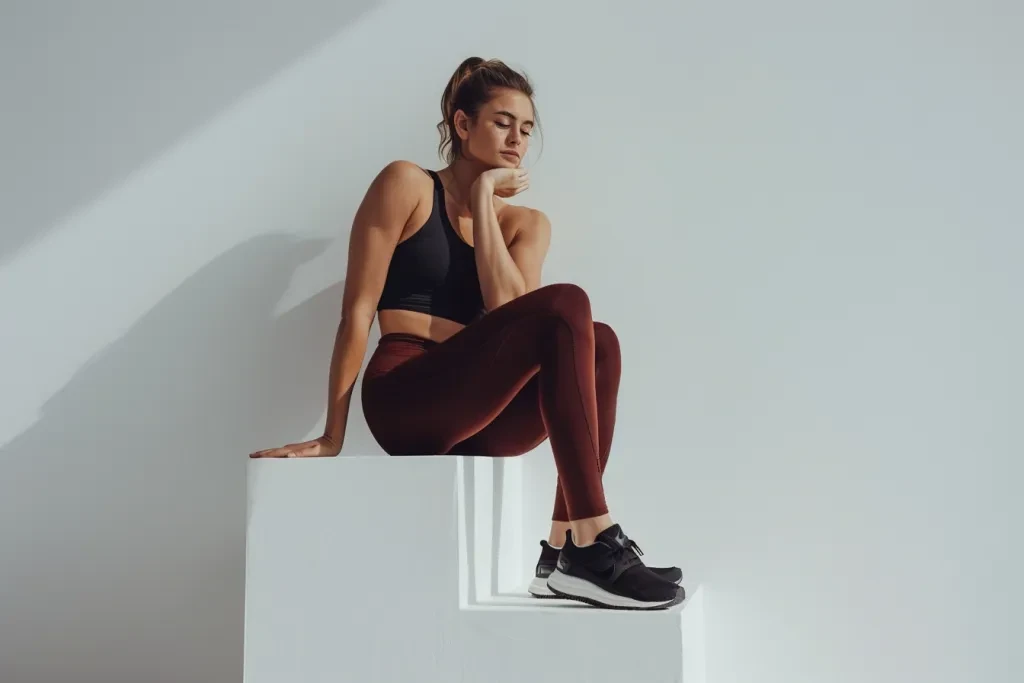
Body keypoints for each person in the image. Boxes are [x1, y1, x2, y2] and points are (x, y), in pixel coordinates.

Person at [250, 57, 685, 610]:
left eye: (526, 129)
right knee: (568, 302)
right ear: (462, 124)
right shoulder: (406, 184)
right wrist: (331, 435)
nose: (517, 140)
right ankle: (596, 539)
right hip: (407, 395)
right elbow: (356, 310)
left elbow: (514, 312)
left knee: (599, 340)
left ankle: (561, 552)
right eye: (503, 122)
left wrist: (486, 206)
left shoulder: (525, 224)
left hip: (480, 416)